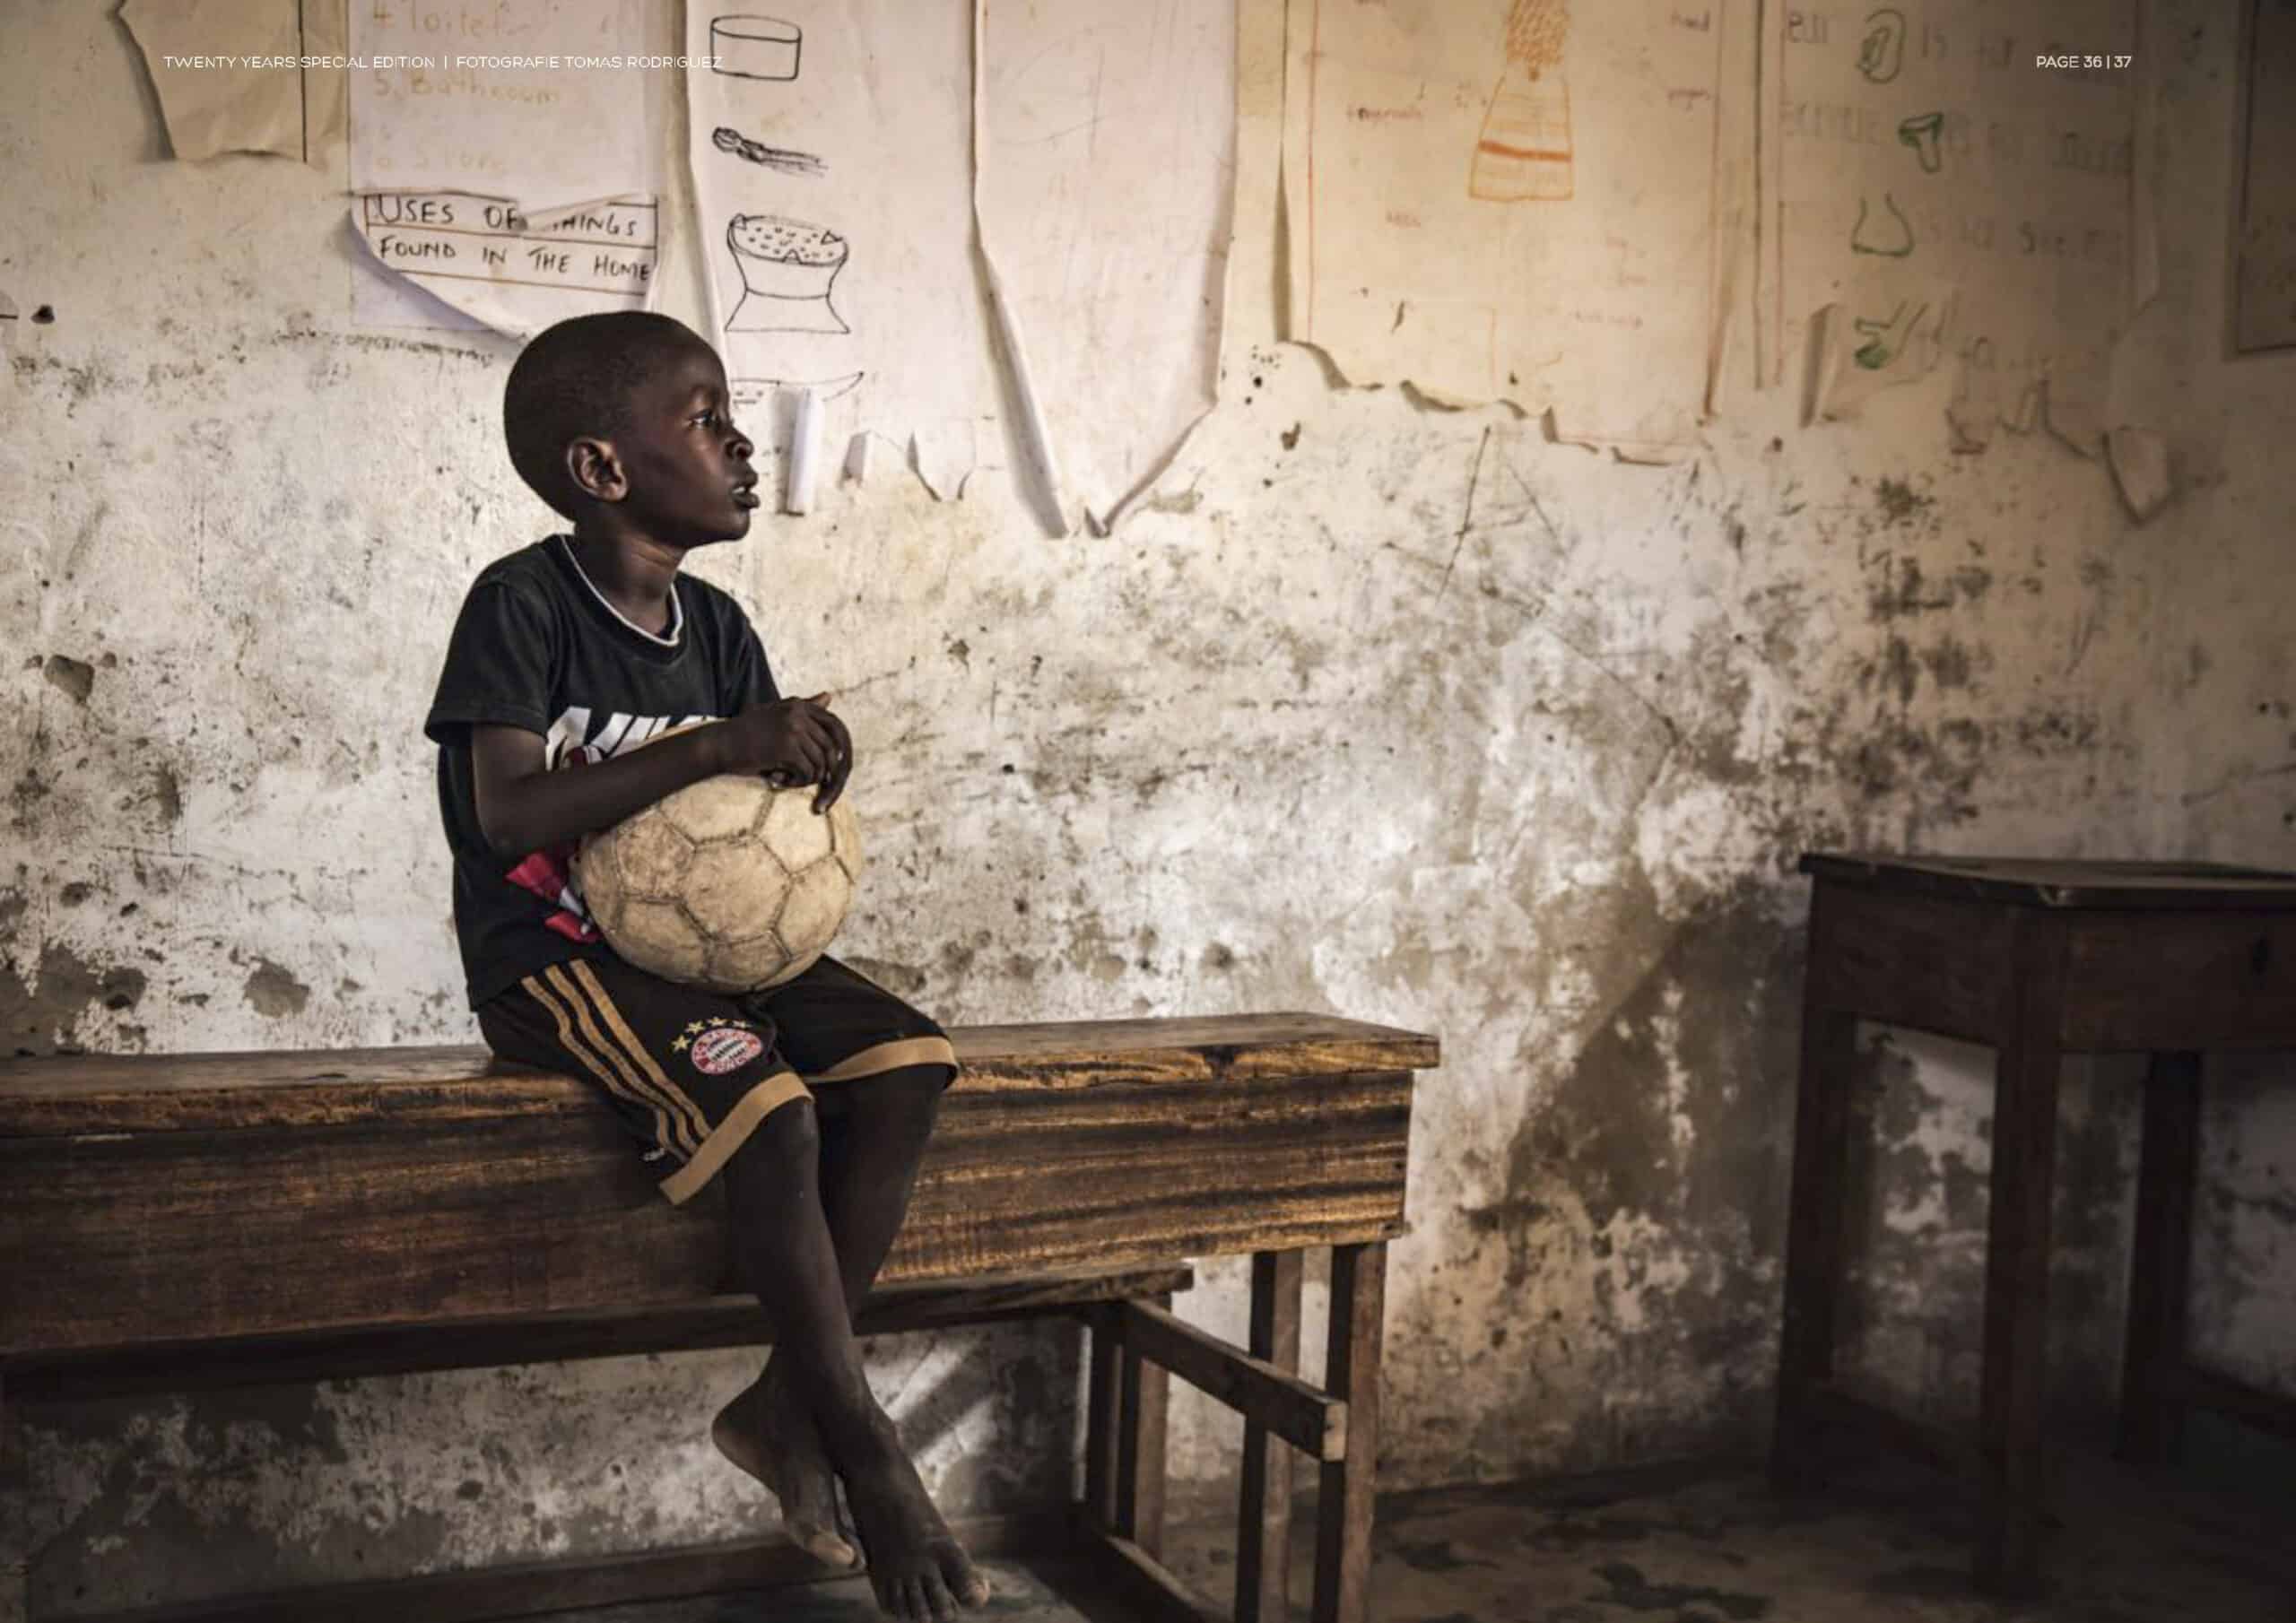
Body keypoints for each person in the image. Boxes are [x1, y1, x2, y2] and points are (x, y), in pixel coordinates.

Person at [422, 310, 988, 1622]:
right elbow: (506, 815)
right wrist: (719, 747)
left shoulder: (719, 626)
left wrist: (802, 767)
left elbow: (745, 830)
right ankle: (867, 1444)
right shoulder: (521, 606)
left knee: (909, 1060)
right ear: (604, 469)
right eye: (705, 416)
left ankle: (786, 1406)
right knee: (774, 1114)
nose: (740, 444)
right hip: (555, 961)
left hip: (702, 958)